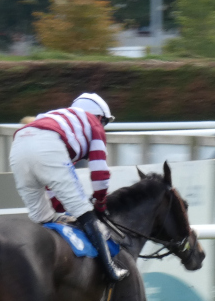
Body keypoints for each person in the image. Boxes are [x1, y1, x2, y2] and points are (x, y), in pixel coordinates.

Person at [9, 93, 128, 281]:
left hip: (18, 145)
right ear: (99, 117)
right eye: (104, 122)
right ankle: (110, 268)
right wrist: (100, 204)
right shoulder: (93, 123)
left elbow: (53, 183)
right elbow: (100, 174)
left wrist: (59, 209)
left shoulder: (56, 119)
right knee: (84, 212)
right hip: (46, 145)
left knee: (43, 218)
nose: (103, 128)